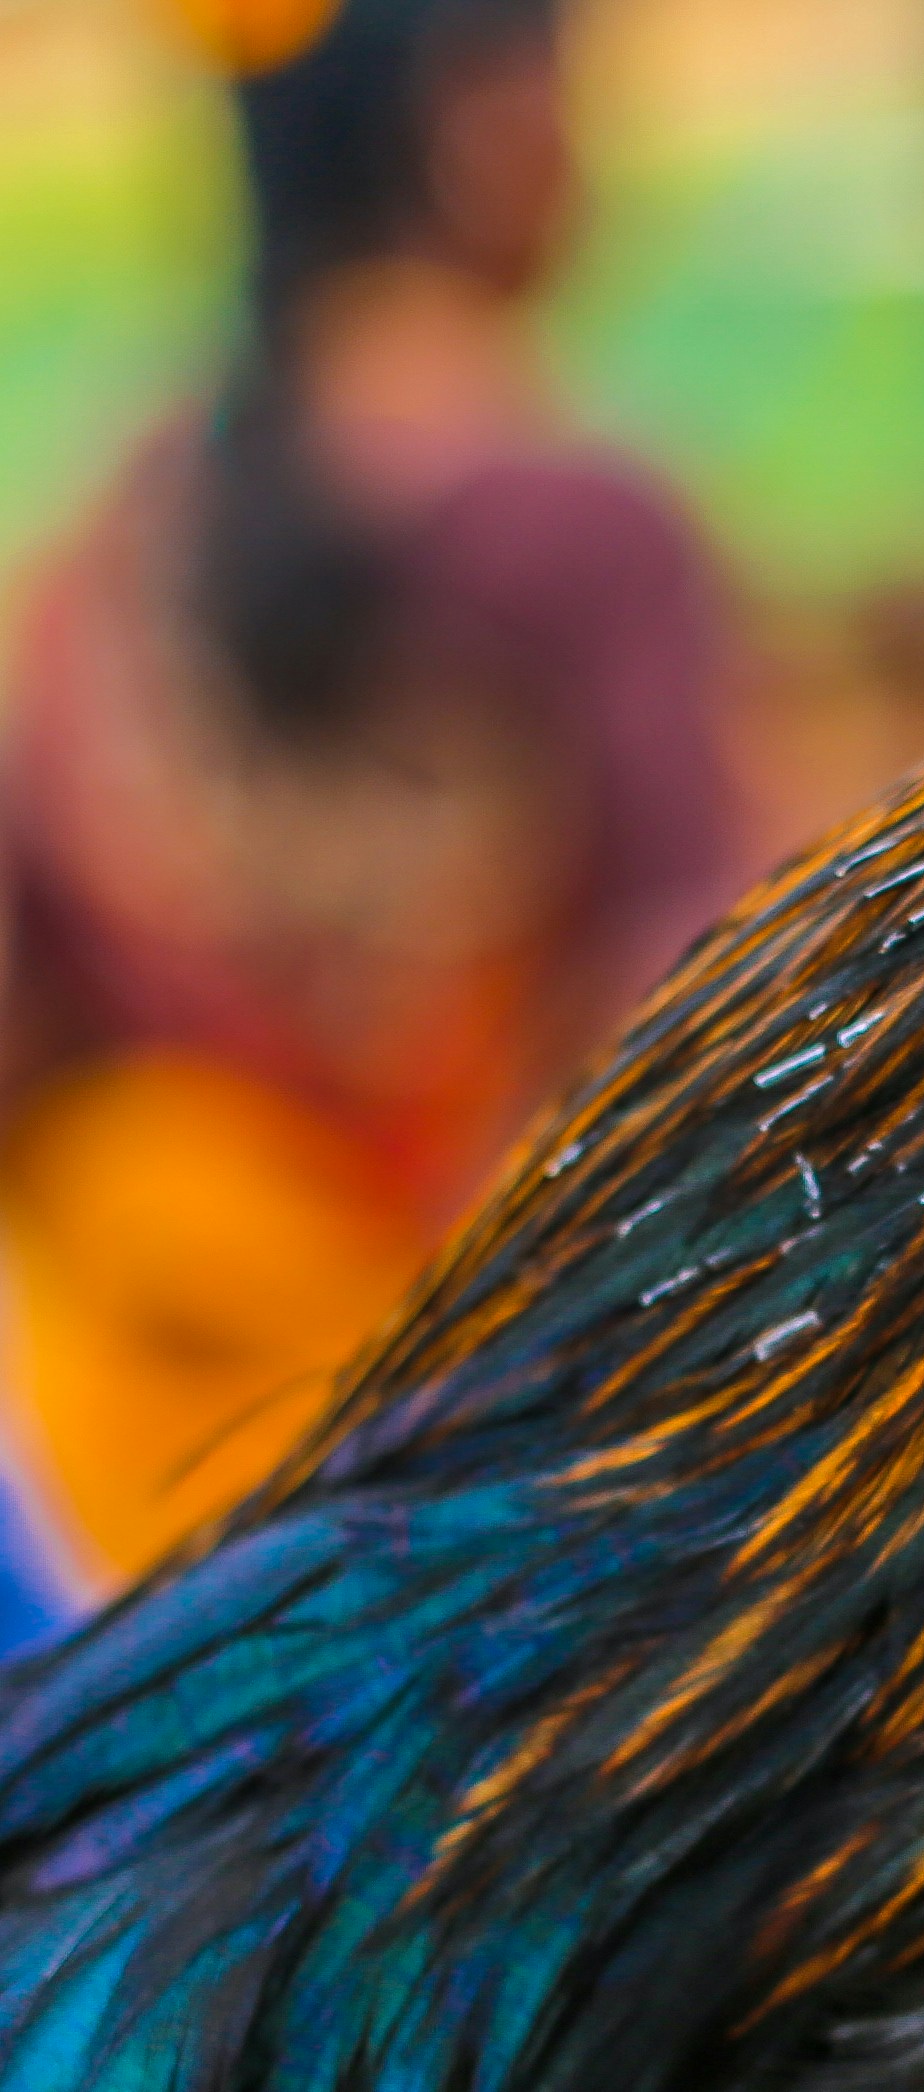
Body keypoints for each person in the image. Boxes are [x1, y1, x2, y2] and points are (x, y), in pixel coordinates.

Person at [0, 0, 747, 1643]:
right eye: (565, 93)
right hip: (474, 1517)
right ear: (477, 122)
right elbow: (693, 1037)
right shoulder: (584, 529)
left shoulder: (110, 537)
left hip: (132, 1516)